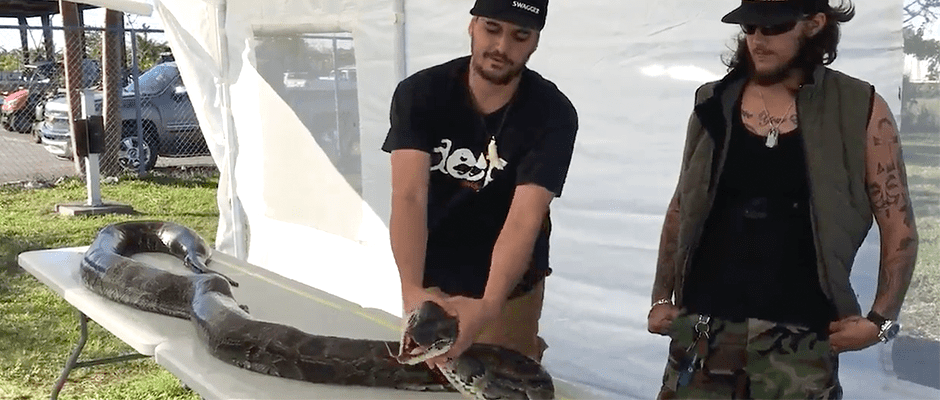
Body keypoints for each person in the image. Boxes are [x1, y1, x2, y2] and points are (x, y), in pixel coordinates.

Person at [647, 0, 919, 398]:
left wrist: (881, 321)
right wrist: (660, 296)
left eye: (774, 28)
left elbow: (898, 223)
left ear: (814, 24)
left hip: (802, 339)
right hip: (703, 330)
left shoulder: (858, 106)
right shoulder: (713, 101)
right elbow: (681, 207)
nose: (758, 39)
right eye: (750, 27)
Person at [382, 0, 578, 364]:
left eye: (520, 36)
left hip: (508, 285)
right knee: (427, 373)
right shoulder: (420, 92)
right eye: (492, 28)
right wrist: (411, 288)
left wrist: (489, 305)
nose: (502, 47)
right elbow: (409, 195)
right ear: (472, 25)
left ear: (536, 41)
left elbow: (525, 218)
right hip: (432, 273)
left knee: (501, 371)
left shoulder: (553, 113)